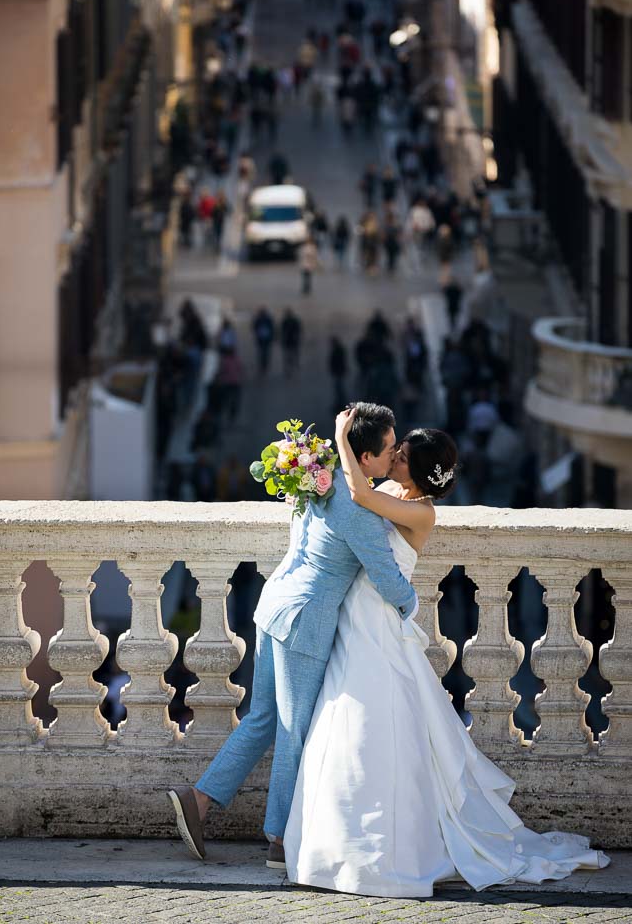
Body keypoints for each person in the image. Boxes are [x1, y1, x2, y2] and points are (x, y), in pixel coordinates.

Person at [283, 409, 610, 896]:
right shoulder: (393, 493)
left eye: (403, 454)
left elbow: (357, 495)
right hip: (354, 619)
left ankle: (373, 849)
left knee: (371, 723)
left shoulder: (421, 511)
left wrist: (338, 437)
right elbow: (355, 503)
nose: (393, 456)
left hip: (379, 627)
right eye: (395, 450)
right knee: (343, 719)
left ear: (416, 469)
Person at [167, 403, 418, 870]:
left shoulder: (319, 478)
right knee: (292, 731)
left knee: (263, 718)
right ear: (364, 459)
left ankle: (198, 801)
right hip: (304, 623)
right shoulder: (358, 508)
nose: (393, 456)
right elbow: (386, 577)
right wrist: (411, 607)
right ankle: (280, 838)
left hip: (274, 605)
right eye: (387, 451)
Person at [252, 307, 275, 374]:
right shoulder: (267, 319)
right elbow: (272, 328)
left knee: (262, 352)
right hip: (264, 339)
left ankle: (263, 365)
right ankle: (264, 365)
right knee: (264, 352)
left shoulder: (260, 319)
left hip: (263, 338)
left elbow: (254, 327)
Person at [279, 308, 302, 374]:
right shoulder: (286, 321)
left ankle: (292, 365)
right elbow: (282, 331)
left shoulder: (290, 321)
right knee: (289, 354)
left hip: (291, 340)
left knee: (292, 354)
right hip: (289, 340)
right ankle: (290, 366)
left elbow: (298, 330)